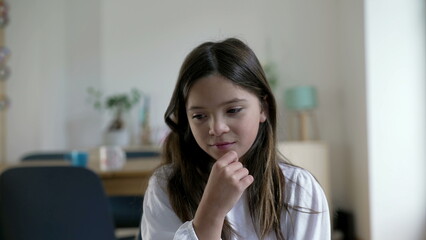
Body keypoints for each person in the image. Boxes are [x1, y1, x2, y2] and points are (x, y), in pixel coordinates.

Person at [141, 38, 331, 240]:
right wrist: (211, 213)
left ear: (263, 109)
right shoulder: (166, 187)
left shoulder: (298, 189)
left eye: (233, 110)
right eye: (199, 116)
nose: (217, 128)